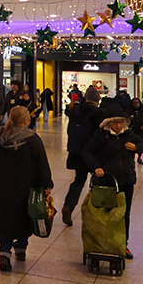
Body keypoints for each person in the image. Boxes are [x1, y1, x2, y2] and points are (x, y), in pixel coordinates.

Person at [0, 106, 53, 272]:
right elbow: (42, 164)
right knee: (23, 216)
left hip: (1, 185)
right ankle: (21, 248)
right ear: (27, 120)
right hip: (25, 186)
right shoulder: (33, 139)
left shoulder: (0, 134)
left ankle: (4, 252)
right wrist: (47, 184)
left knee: (5, 217)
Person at [81, 103, 143, 259]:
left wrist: (137, 148)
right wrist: (96, 167)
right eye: (115, 122)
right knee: (105, 213)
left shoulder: (128, 134)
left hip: (126, 181)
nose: (118, 125)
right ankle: (102, 244)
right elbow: (87, 151)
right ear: (108, 123)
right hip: (107, 182)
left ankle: (122, 244)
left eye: (121, 122)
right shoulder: (101, 135)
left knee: (124, 214)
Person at [61, 85, 103, 226]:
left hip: (77, 151)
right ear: (97, 100)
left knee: (79, 180)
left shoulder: (76, 110)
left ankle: (69, 205)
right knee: (98, 182)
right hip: (92, 153)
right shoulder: (98, 113)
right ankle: (95, 214)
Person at [128, 97, 143, 164]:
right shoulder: (129, 110)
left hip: (142, 131)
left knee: (141, 144)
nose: (136, 104)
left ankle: (139, 157)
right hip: (132, 131)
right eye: (134, 103)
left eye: (137, 103)